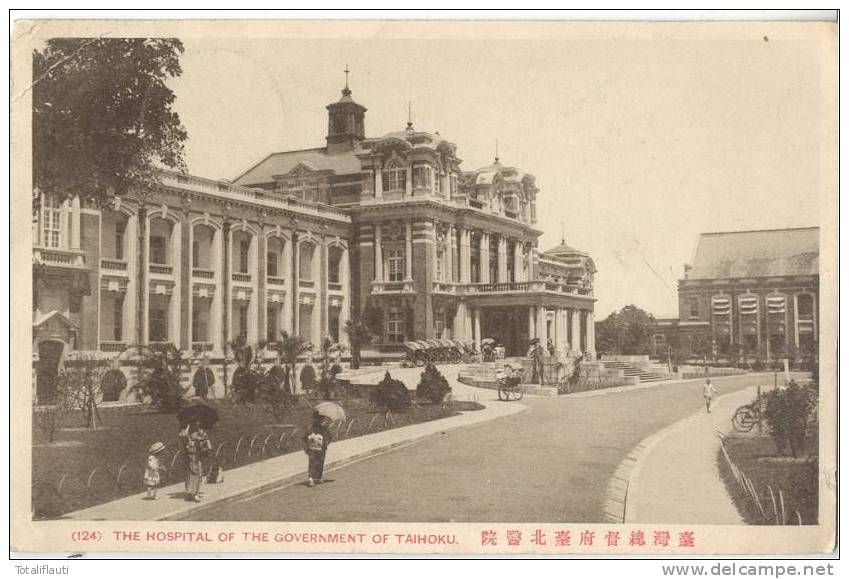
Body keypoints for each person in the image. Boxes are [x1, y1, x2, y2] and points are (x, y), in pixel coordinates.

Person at [180, 421, 211, 502]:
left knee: (198, 475)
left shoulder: (199, 435)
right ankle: (192, 494)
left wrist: (202, 437)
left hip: (197, 457)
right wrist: (188, 427)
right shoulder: (187, 436)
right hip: (191, 457)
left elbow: (205, 441)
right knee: (193, 475)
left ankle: (193, 493)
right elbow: (183, 435)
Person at [302, 411, 332, 487]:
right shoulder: (311, 428)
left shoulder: (324, 429)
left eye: (321, 419)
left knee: (320, 462)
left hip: (321, 448)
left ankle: (318, 477)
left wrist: (326, 442)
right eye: (318, 419)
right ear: (314, 419)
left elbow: (330, 437)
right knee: (312, 462)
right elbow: (304, 438)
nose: (320, 421)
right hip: (312, 448)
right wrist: (306, 447)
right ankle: (311, 478)